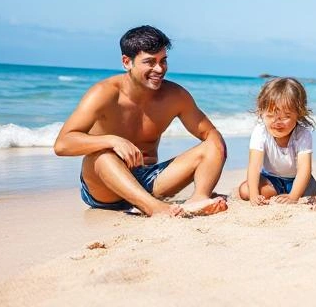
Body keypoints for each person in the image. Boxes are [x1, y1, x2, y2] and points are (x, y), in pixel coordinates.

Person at [54, 25, 228, 217]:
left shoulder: (175, 96)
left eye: (163, 61)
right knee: (101, 154)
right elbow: (62, 144)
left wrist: (203, 185)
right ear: (127, 62)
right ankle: (155, 209)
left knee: (214, 142)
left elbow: (210, 134)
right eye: (150, 62)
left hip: (151, 182)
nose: (159, 69)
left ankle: (198, 199)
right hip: (106, 189)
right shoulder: (103, 94)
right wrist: (112, 140)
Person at [238, 77, 316, 205]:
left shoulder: (303, 134)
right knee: (245, 190)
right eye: (270, 115)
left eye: (286, 116)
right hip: (271, 179)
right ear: (261, 113)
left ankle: (288, 194)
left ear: (299, 114)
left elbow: (304, 169)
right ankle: (278, 194)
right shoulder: (260, 131)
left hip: (297, 180)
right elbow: (254, 166)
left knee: (311, 194)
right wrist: (254, 195)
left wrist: (294, 196)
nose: (277, 122)